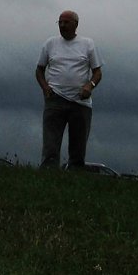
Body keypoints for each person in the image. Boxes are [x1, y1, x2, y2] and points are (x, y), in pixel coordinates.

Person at [36, 10, 103, 169]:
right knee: (51, 146)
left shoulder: (88, 44)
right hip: (55, 99)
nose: (62, 25)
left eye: (66, 22)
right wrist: (45, 88)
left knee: (78, 149)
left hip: (80, 103)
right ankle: (48, 175)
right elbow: (39, 70)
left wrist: (90, 86)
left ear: (76, 24)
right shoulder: (50, 43)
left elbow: (98, 72)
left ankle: (74, 178)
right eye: (60, 22)